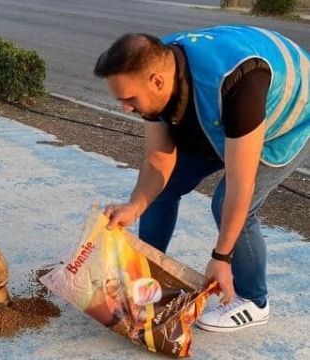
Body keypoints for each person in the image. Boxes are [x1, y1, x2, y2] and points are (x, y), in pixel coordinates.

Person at [93, 24, 310, 333]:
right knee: (161, 189)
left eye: (129, 99)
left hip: (288, 118)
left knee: (229, 205)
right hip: (221, 111)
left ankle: (253, 300)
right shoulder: (155, 63)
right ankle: (145, 279)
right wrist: (135, 206)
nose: (125, 108)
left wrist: (221, 258)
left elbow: (240, 182)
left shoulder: (238, 82)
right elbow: (158, 158)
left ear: (157, 82)